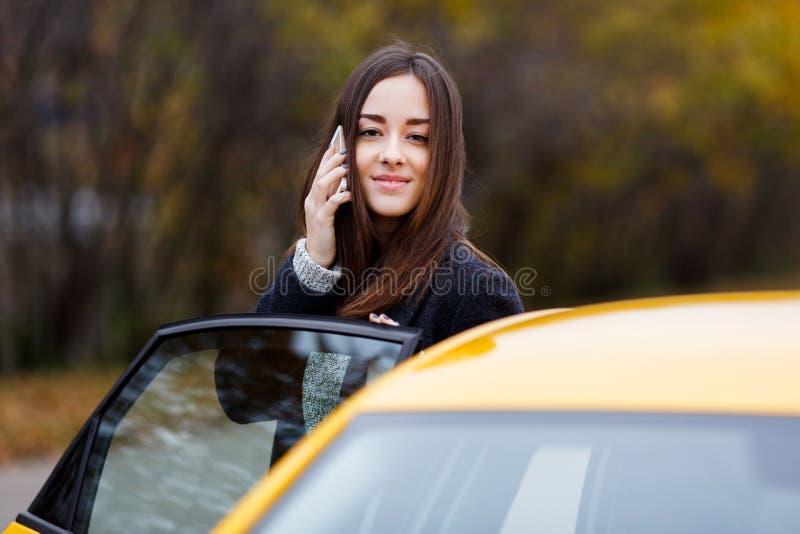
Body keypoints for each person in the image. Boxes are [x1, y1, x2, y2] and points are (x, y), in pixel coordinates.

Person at [255, 41, 523, 352]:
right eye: (371, 132)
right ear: (341, 148)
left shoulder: (477, 292)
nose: (392, 154)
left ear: (443, 157)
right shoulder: (318, 268)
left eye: (417, 137)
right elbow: (244, 391)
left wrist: (408, 372)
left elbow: (503, 399)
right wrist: (315, 260)